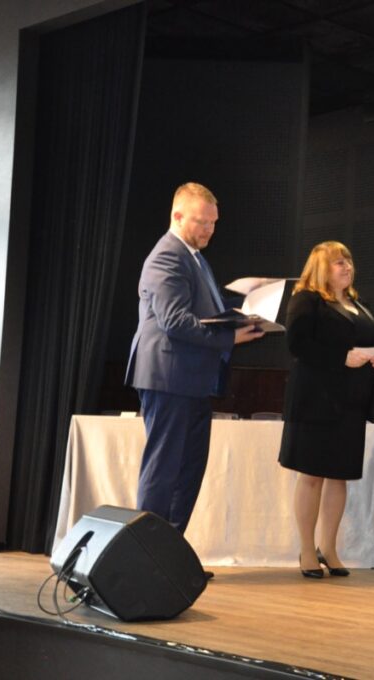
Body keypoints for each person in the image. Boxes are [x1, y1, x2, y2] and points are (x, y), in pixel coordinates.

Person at [125, 182, 263, 536]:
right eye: (202, 222)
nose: (209, 230)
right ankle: (146, 552)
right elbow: (174, 321)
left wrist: (249, 309)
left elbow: (204, 312)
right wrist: (231, 336)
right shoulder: (168, 255)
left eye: (214, 223)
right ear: (177, 216)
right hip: (168, 376)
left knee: (188, 471)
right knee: (164, 469)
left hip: (192, 379)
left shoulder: (194, 257)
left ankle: (169, 551)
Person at [278, 241, 374, 578]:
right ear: (320, 268)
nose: (347, 267)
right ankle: (306, 549)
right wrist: (342, 357)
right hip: (316, 400)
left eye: (348, 261)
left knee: (339, 476)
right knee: (312, 475)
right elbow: (297, 344)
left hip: (351, 403)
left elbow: (365, 345)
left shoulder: (358, 304)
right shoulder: (307, 300)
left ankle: (329, 547)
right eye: (339, 262)